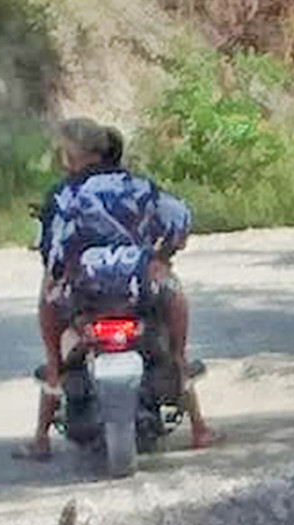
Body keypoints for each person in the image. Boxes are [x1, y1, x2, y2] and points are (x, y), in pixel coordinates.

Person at [21, 117, 216, 459]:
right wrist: (162, 256)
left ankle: (42, 429)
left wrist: (58, 273)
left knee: (49, 316)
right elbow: (179, 219)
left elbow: (52, 249)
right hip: (139, 287)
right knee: (174, 319)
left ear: (73, 153)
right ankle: (198, 424)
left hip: (85, 292)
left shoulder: (64, 194)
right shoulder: (139, 186)